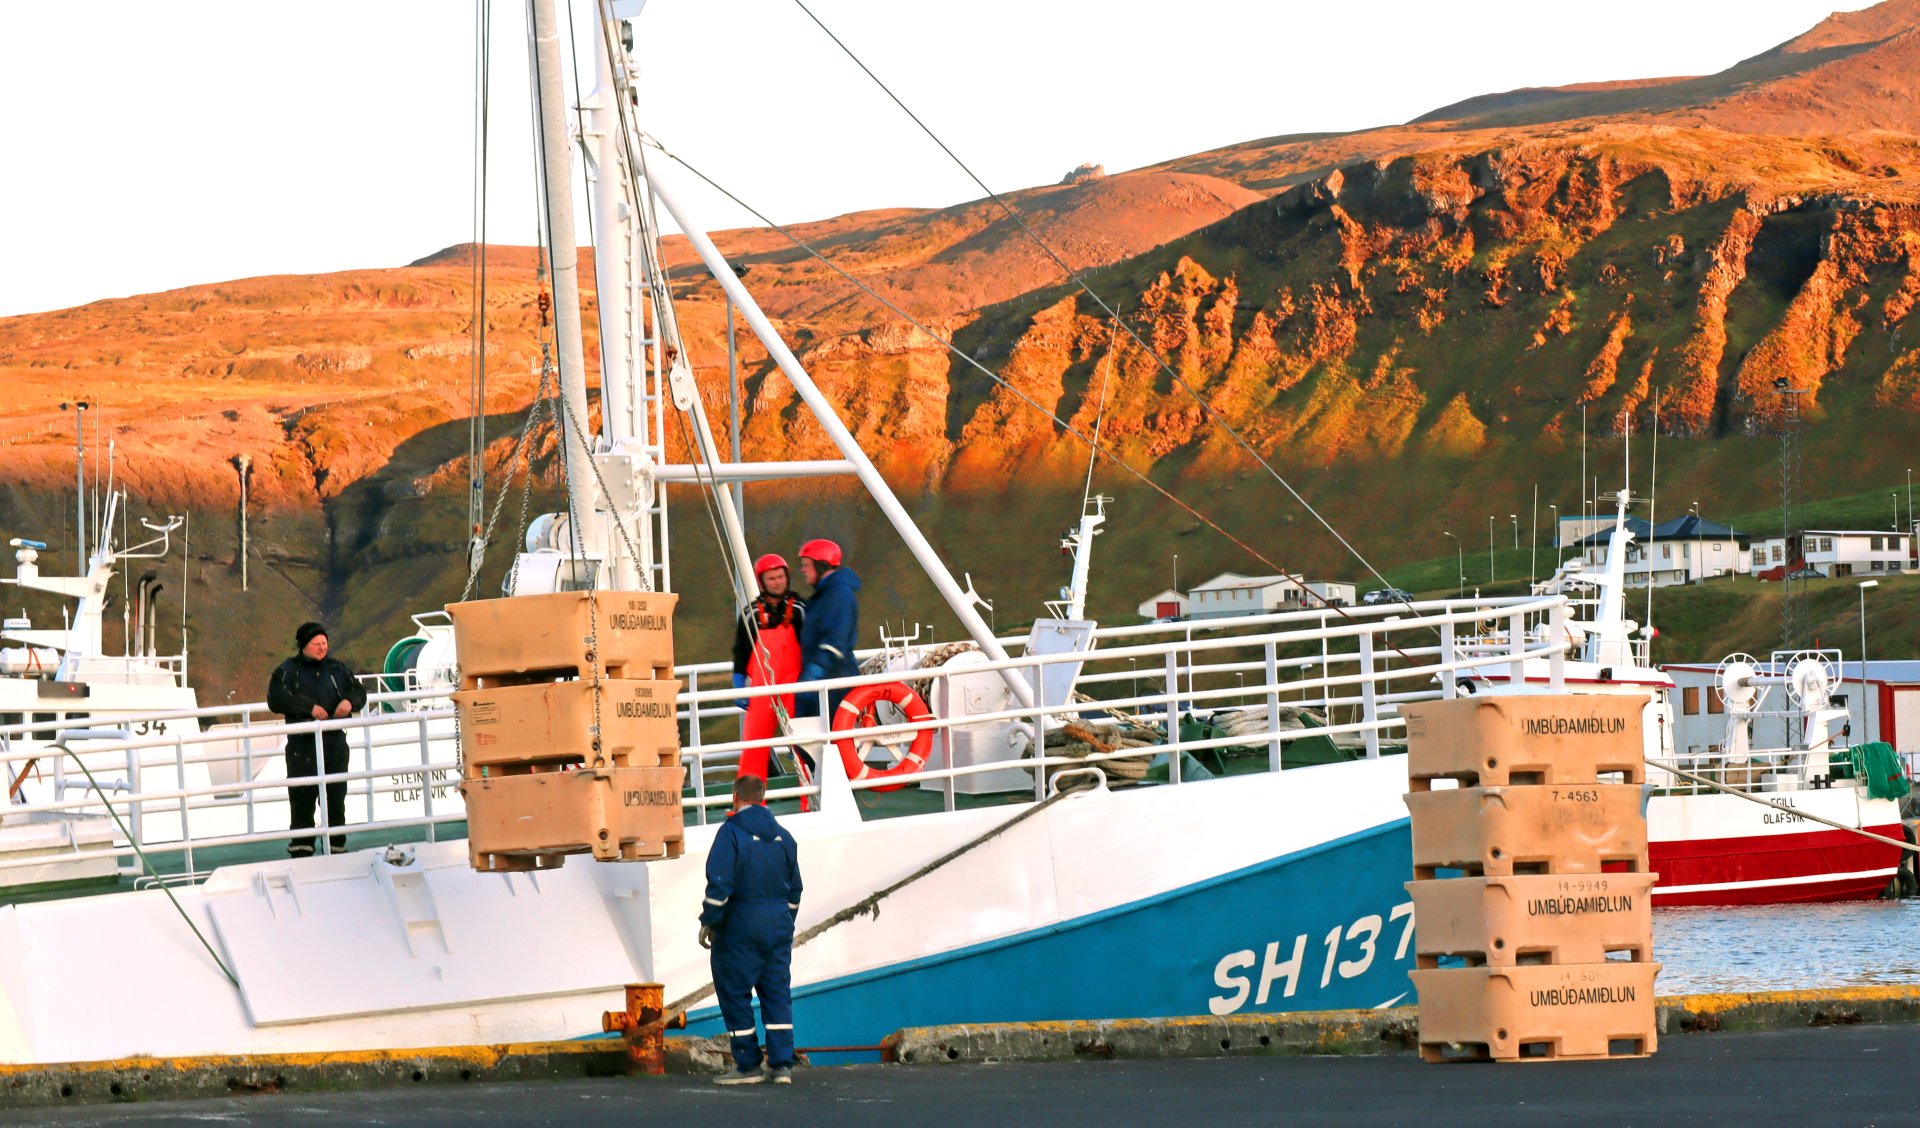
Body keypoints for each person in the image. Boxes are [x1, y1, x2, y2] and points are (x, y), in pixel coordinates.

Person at [699, 773, 802, 1085]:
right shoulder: (785, 837)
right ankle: (782, 1065)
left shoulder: (730, 833)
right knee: (776, 993)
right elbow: (795, 890)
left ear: (735, 796)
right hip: (778, 928)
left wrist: (709, 921)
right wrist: (785, 922)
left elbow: (720, 886)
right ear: (763, 797)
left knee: (734, 990)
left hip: (741, 928)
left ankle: (747, 1065)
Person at [265, 621, 366, 857]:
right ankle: (302, 849)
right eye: (316, 643)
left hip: (334, 744)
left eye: (324, 643)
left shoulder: (337, 669)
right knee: (302, 798)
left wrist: (349, 701)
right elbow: (276, 699)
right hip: (302, 746)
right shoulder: (288, 671)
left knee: (335, 797)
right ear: (304, 646)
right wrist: (308, 707)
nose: (322, 647)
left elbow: (359, 691)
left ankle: (336, 846)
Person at [731, 554, 806, 781]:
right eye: (771, 578)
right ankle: (749, 804)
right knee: (754, 748)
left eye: (780, 576)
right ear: (762, 582)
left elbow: (810, 649)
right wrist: (738, 685)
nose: (777, 582)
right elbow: (741, 653)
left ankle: (811, 800)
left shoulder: (800, 610)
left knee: (804, 745)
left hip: (795, 689)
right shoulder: (750, 613)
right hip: (762, 691)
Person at [793, 538, 860, 721]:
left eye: (806, 565)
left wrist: (812, 675)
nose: (803, 569)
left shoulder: (839, 594)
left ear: (821, 566)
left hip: (833, 684)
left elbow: (834, 642)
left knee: (827, 740)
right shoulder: (826, 594)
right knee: (809, 737)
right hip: (825, 682)